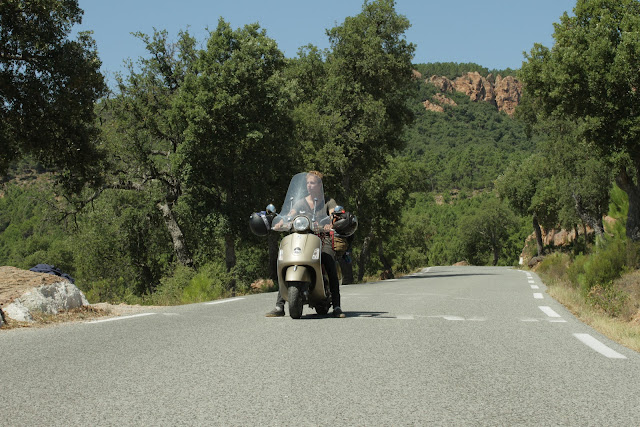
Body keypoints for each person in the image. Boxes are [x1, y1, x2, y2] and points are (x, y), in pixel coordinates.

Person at [266, 171, 345, 318]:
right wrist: (282, 221)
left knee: (328, 260)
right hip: (302, 237)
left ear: (320, 185)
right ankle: (279, 306)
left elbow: (334, 214)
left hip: (322, 237)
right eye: (307, 183)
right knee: (287, 260)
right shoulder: (301, 201)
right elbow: (290, 213)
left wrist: (331, 223)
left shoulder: (328, 201)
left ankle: (337, 306)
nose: (309, 186)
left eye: (312, 183)